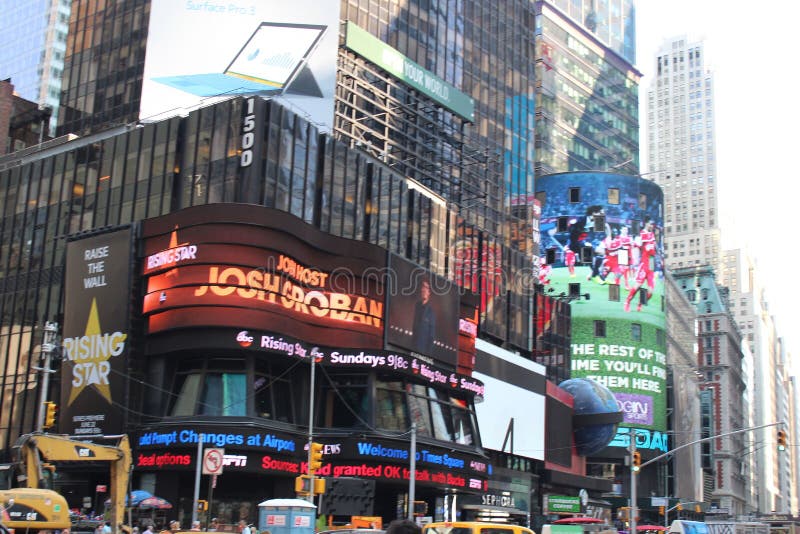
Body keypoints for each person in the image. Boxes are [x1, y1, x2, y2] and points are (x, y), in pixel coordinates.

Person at [411, 278, 436, 354]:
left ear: (429, 292)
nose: (424, 290)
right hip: (413, 348)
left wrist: (427, 355)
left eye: (426, 288)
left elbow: (431, 337)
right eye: (423, 287)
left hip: (423, 353)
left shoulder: (431, 313)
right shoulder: (417, 306)